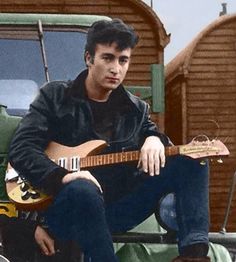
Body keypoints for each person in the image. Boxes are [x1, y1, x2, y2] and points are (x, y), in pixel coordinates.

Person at [8, 18, 210, 262]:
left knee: (193, 160)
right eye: (107, 58)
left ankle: (194, 255)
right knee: (84, 188)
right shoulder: (55, 96)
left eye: (123, 60)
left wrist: (155, 139)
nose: (116, 68)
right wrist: (63, 176)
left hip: (115, 210)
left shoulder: (137, 110)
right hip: (66, 210)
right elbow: (21, 148)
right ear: (89, 58)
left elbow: (153, 134)